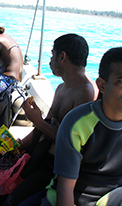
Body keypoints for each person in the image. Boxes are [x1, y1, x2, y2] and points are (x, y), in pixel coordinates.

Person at [4, 33, 99, 205]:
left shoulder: (86, 92)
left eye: (51, 55)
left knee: (11, 200)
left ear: (62, 57)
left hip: (56, 167)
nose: (49, 61)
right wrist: (20, 144)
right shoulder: (62, 87)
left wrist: (37, 120)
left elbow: (70, 143)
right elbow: (47, 123)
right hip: (42, 154)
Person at [43, 47, 122, 206]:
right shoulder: (77, 123)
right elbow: (65, 188)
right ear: (102, 85)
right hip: (78, 196)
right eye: (120, 82)